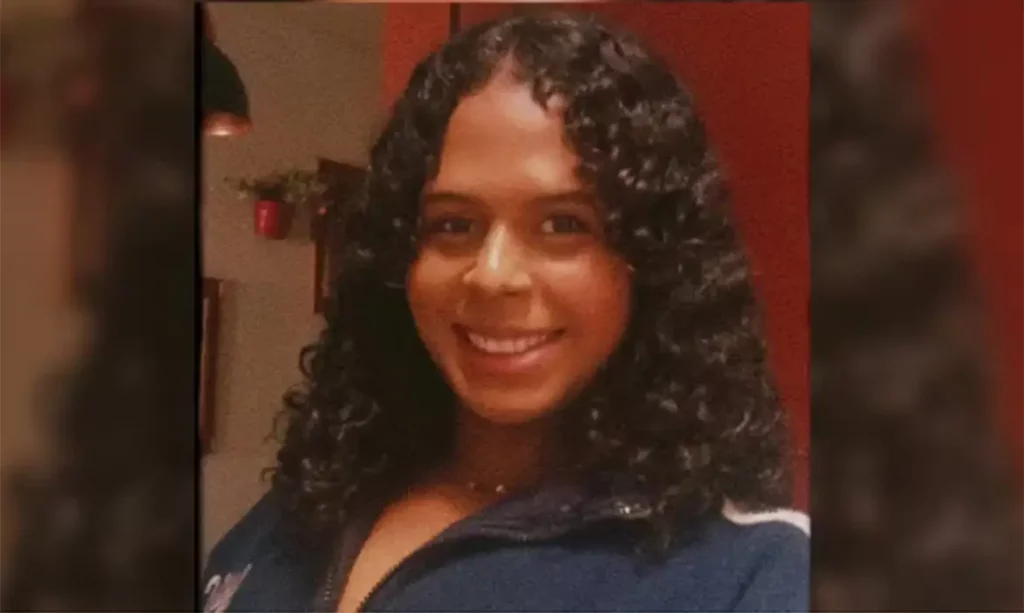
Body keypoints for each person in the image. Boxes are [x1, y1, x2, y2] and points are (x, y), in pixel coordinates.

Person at [202, 12, 808, 613]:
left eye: (564, 224)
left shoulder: (751, 573)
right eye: (453, 224)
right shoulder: (303, 509)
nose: (493, 274)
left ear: (654, 261)